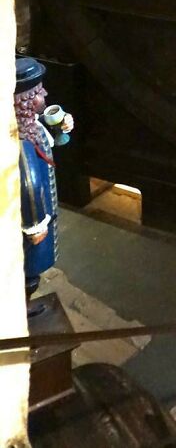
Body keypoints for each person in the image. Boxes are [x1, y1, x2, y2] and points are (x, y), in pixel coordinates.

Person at [14, 56, 74, 310]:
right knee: (29, 265)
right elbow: (30, 183)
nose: (44, 96)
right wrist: (35, 223)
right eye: (38, 93)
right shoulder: (22, 143)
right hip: (34, 218)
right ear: (26, 102)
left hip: (43, 212)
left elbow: (56, 143)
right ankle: (22, 306)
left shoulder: (32, 127)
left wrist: (61, 127)